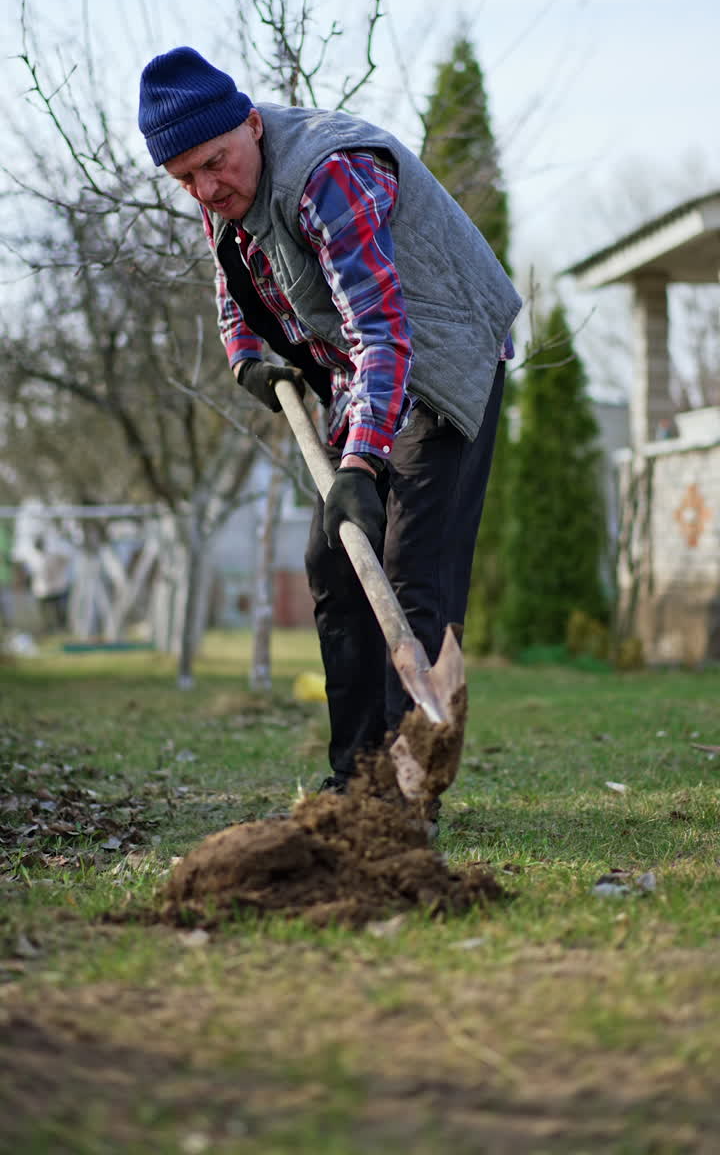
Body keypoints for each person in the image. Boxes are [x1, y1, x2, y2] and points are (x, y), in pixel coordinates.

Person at [138, 46, 522, 794]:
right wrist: (248, 355)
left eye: (215, 163)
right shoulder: (224, 188)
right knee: (333, 561)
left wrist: (361, 464)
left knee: (412, 572)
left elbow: (383, 328)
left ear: (251, 124)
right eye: (185, 178)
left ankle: (409, 791)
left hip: (443, 357)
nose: (207, 187)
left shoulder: (326, 174)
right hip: (366, 370)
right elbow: (235, 275)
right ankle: (356, 780)